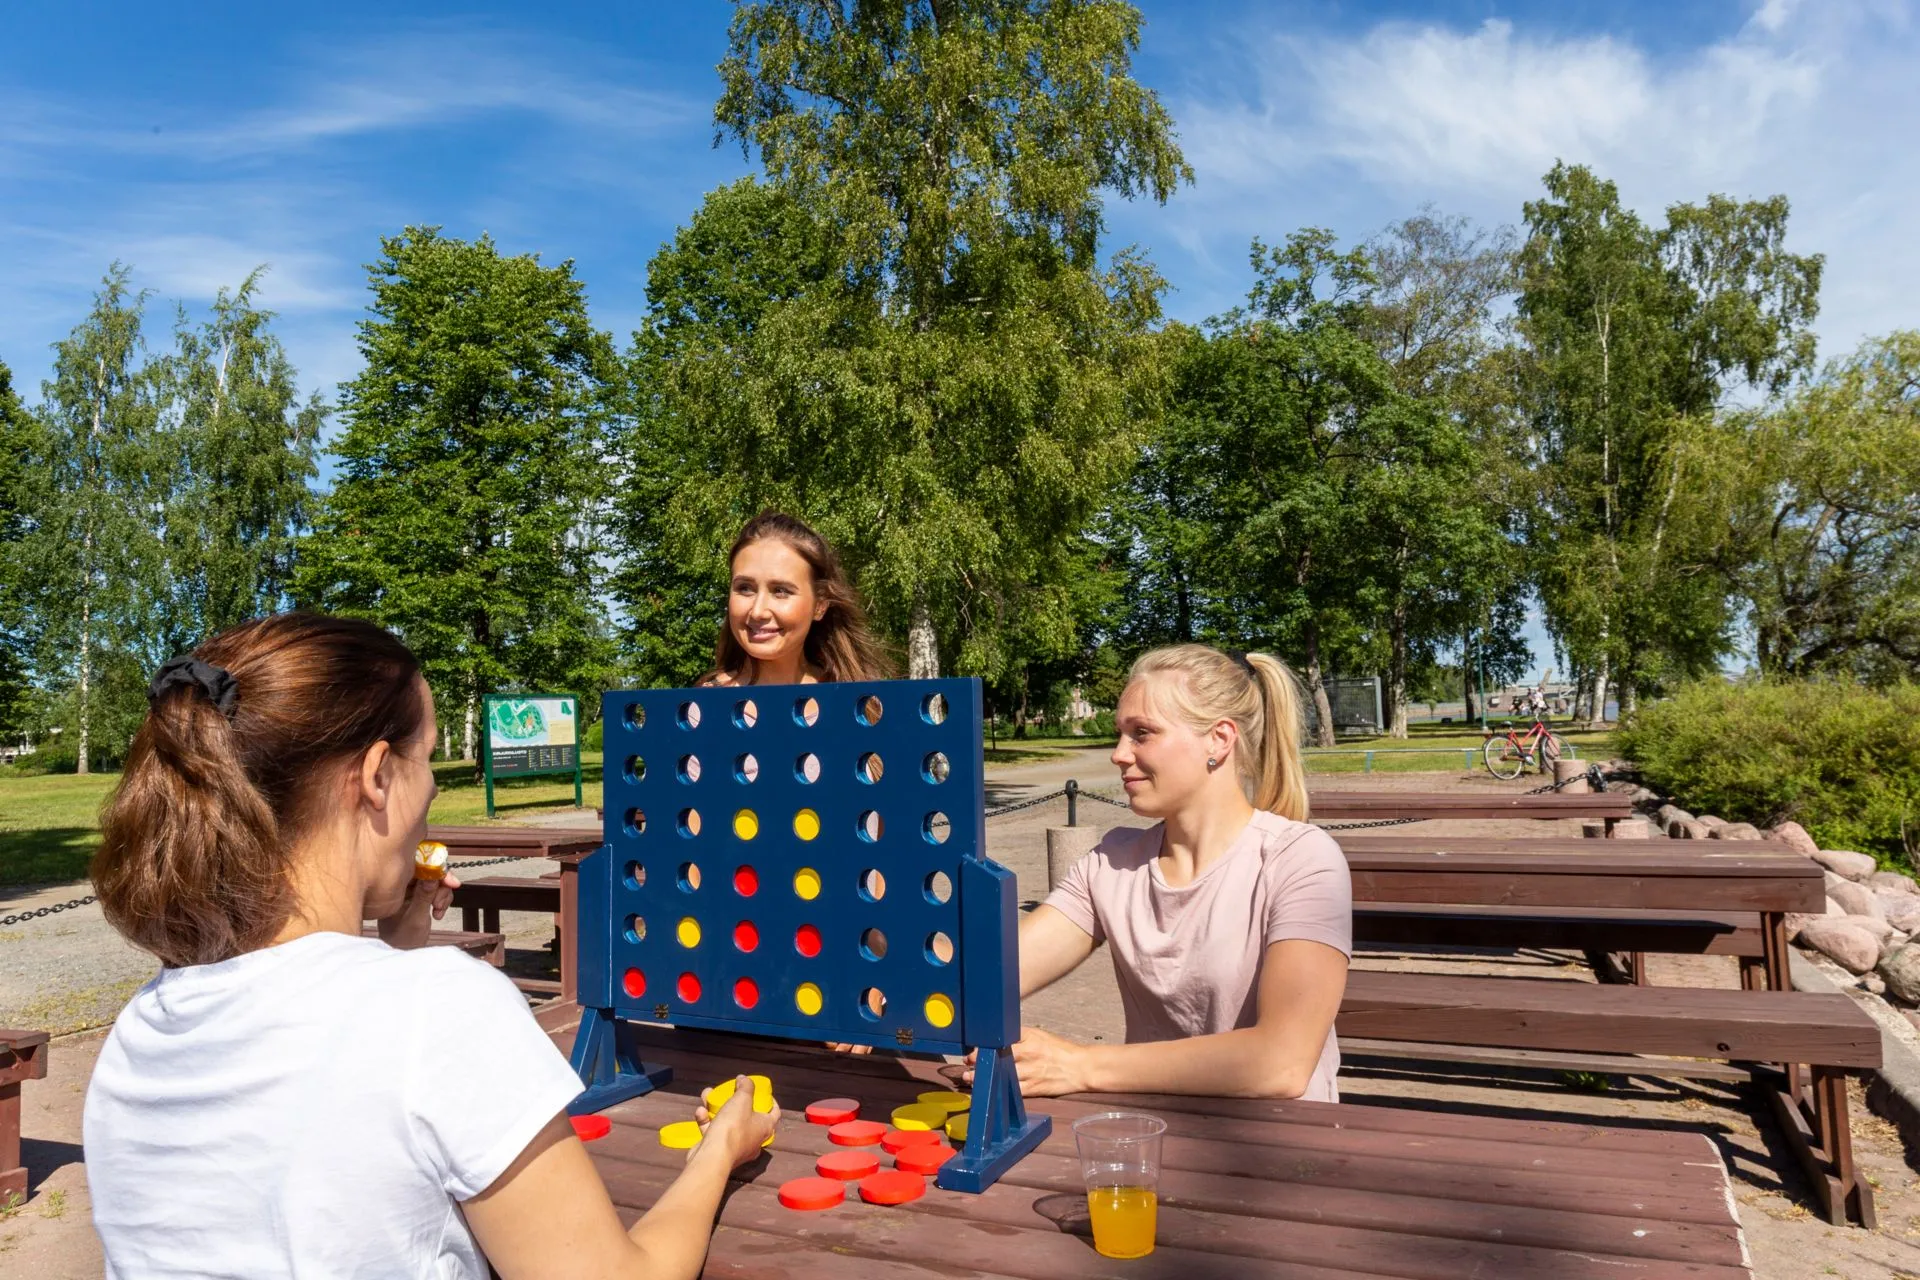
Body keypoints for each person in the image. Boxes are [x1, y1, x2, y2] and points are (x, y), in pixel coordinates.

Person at [85, 612, 775, 1279]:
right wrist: (719, 1151)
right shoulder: (439, 1008)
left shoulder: (141, 1029)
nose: (434, 787)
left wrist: (395, 951)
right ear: (378, 776)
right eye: (428, 755)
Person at [998, 644, 1351, 1101]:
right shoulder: (1111, 863)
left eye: (1141, 733)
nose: (1118, 754)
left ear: (1219, 740)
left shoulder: (1299, 860)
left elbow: (1281, 1062)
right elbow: (996, 975)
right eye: (1120, 734)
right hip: (1157, 1134)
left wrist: (1079, 1064)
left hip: (1288, 1149)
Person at [701, 510, 891, 689]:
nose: (758, 611)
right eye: (745, 588)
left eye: (781, 591)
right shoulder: (702, 710)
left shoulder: (858, 704)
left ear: (820, 605)